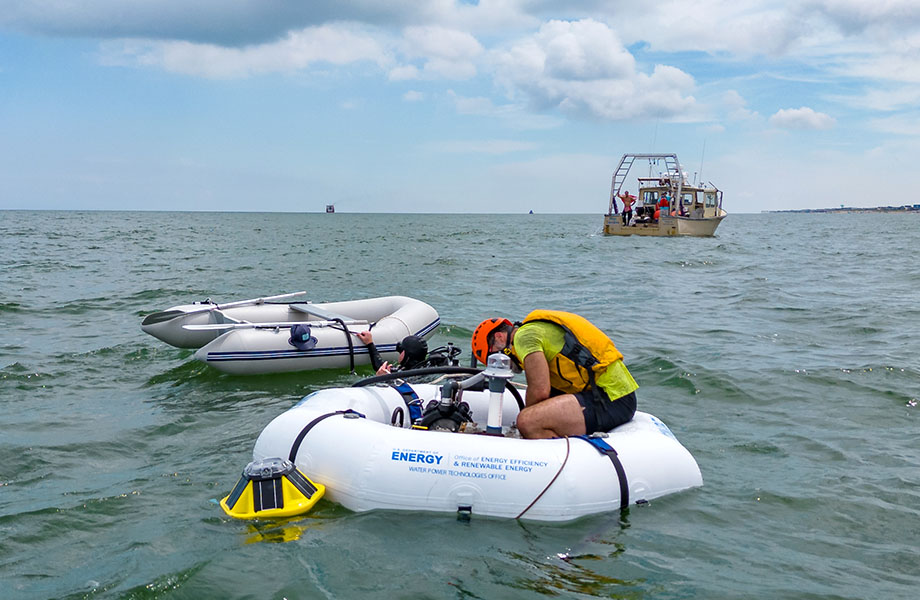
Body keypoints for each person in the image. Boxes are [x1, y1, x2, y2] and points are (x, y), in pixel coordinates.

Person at [471, 311, 637, 439]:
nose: (501, 363)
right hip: (611, 395)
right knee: (534, 415)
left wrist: (524, 427)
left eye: (493, 357)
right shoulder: (534, 330)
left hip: (611, 399)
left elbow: (539, 390)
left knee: (528, 422)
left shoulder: (523, 337)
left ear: (499, 337)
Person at [356, 331, 429, 375]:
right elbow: (381, 367)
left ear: (406, 354)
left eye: (401, 351)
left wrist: (383, 379)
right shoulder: (426, 368)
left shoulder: (408, 378)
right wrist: (370, 343)